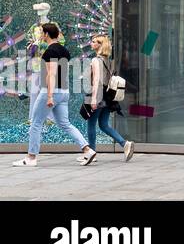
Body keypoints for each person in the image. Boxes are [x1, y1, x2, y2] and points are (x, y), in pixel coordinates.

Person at [12, 23, 96, 167]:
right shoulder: (65, 51)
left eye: (41, 33)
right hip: (64, 91)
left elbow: (51, 74)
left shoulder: (49, 52)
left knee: (35, 123)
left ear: (46, 34)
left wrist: (49, 96)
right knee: (65, 124)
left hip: (51, 91)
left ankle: (31, 158)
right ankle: (87, 150)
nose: (40, 35)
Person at [85, 34, 134, 162]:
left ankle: (91, 152)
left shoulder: (96, 60)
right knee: (104, 124)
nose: (92, 43)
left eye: (95, 42)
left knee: (91, 124)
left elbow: (96, 81)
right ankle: (124, 143)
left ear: (100, 45)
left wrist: (94, 99)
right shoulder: (108, 60)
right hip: (108, 96)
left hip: (99, 94)